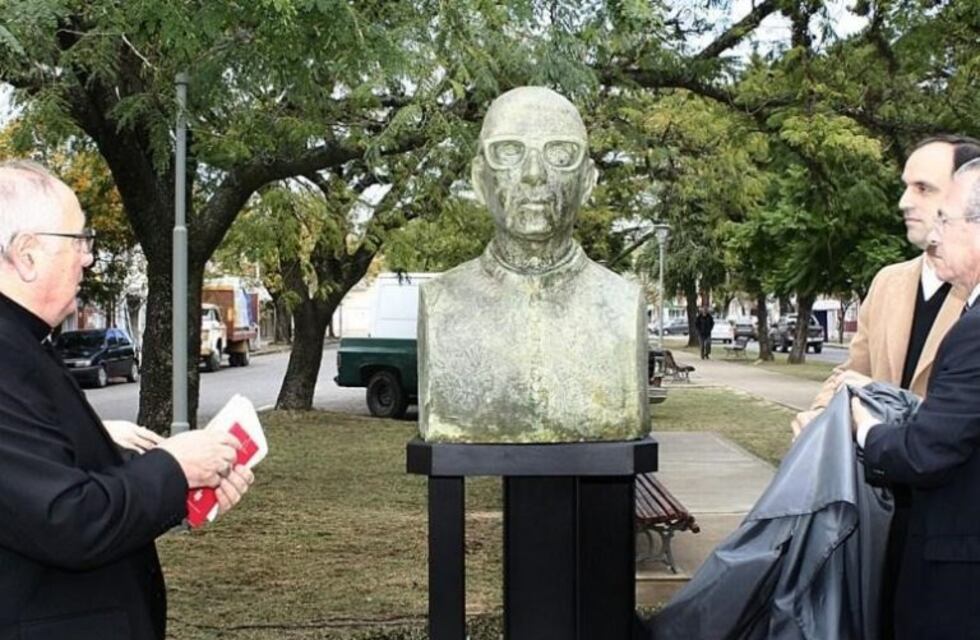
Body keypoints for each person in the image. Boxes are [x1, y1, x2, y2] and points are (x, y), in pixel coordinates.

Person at [0, 160, 253, 640]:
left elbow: (54, 480)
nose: (89, 258)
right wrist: (175, 468)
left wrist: (182, 490)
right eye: (79, 241)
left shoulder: (23, 342)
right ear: (27, 254)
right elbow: (68, 518)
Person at [418, 86, 648, 443]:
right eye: (509, 151)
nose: (533, 173)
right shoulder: (441, 302)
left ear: (587, 182)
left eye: (560, 153)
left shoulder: (622, 303)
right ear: (479, 180)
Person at [848, 159, 980, 639]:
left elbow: (927, 452)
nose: (933, 236)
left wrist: (866, 429)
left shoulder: (974, 331)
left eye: (945, 219)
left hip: (959, 585)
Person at [793, 135, 980, 436]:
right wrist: (818, 416)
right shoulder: (887, 282)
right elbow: (853, 372)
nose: (904, 202)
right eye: (906, 186)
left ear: (967, 194)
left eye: (923, 188)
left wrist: (887, 404)